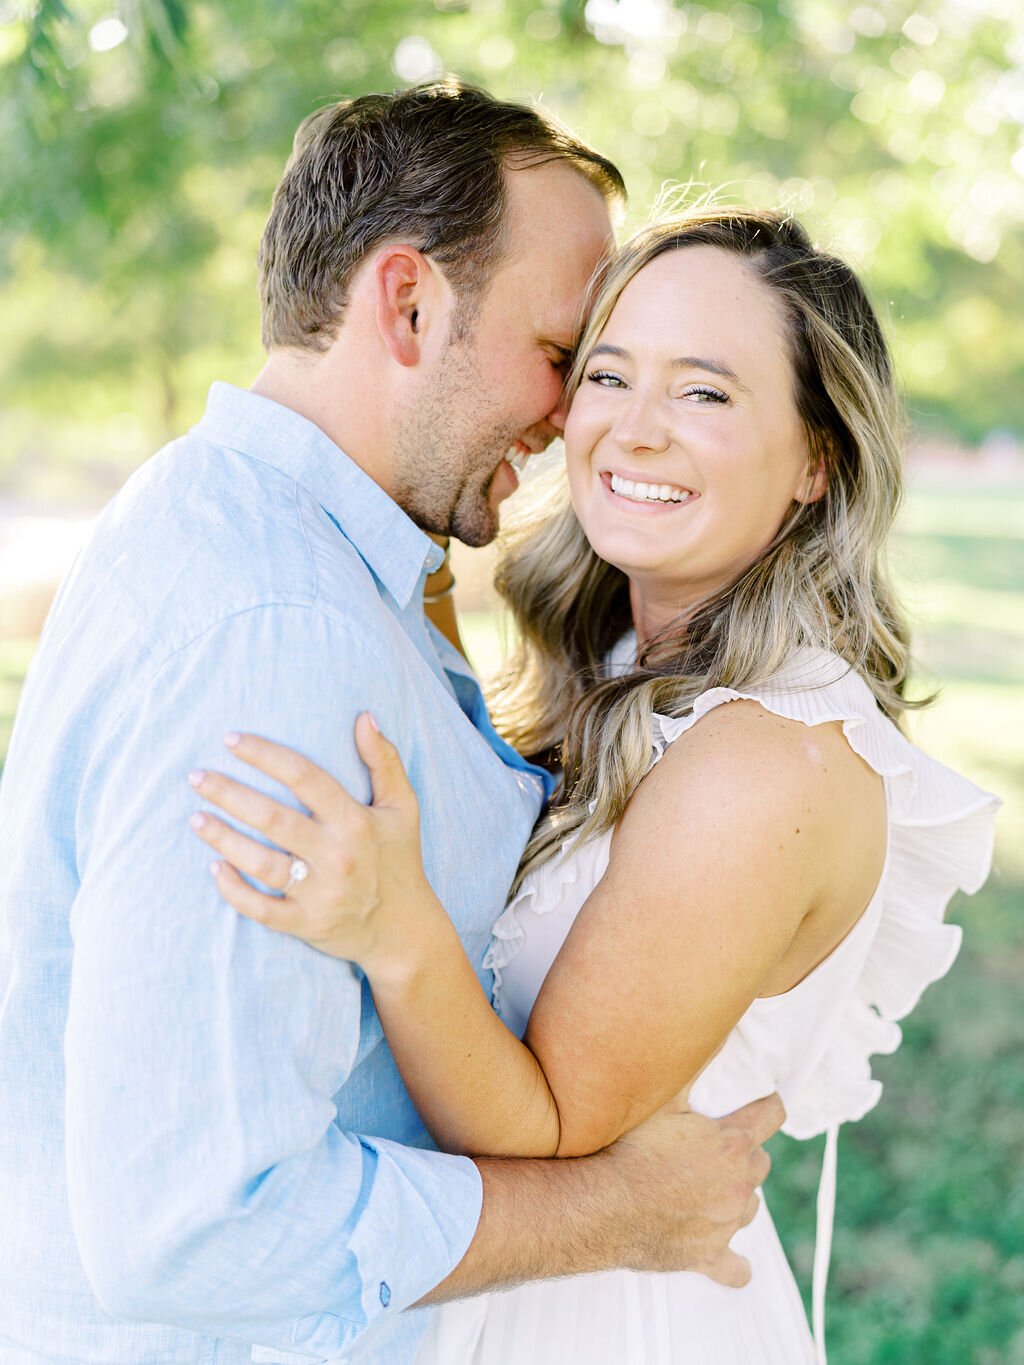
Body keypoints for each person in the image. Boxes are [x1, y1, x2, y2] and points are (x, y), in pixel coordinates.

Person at [0, 85, 783, 1365]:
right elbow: (198, 1228)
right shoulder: (277, 630)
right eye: (561, 353)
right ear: (408, 302)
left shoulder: (232, 519)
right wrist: (619, 1212)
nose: (569, 413)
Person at [192, 208, 1000, 1364]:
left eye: (706, 393)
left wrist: (394, 927)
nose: (636, 428)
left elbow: (554, 1126)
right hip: (490, 1283)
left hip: (606, 1317)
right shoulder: (621, 664)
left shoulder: (767, 761)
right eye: (608, 373)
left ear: (817, 459)